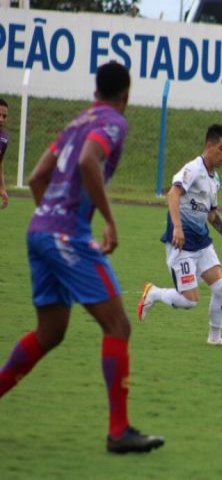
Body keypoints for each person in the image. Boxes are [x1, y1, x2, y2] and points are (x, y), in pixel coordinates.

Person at [0, 62, 165, 453]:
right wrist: (106, 221)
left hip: (39, 231)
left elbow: (39, 176)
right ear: (126, 93)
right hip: (65, 237)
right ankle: (118, 431)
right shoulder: (112, 121)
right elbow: (89, 161)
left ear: (96, 89)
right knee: (118, 325)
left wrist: (49, 221)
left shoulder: (78, 121)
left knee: (51, 332)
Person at [137, 124, 222, 346]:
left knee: (221, 287)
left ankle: (215, 338)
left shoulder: (214, 179)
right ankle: (154, 293)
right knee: (190, 301)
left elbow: (212, 215)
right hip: (182, 246)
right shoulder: (193, 169)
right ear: (209, 146)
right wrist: (177, 227)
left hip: (202, 243)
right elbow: (173, 193)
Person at [0, 98, 10, 209]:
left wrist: (2, 188)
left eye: (4, 116)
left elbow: (0, 162)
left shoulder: (4, 138)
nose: (1, 119)